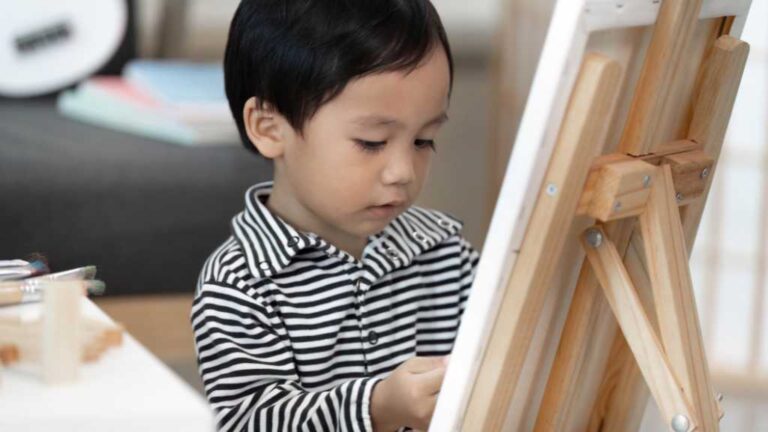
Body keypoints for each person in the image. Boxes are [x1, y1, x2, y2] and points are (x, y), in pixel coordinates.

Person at [191, 1, 479, 430]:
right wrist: (376, 407)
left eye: (423, 140)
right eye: (371, 142)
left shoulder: (442, 251)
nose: (402, 173)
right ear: (270, 128)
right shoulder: (240, 285)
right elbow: (250, 421)